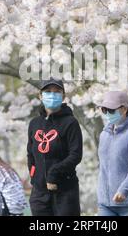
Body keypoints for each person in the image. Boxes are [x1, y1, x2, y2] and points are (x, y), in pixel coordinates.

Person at [27, 78, 83, 216]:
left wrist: (53, 174)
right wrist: (34, 177)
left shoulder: (70, 123)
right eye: (48, 91)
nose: (52, 95)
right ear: (40, 95)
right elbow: (31, 154)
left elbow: (75, 155)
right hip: (39, 192)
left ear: (63, 96)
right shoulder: (34, 123)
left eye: (57, 92)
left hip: (64, 190)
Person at [97, 91, 128, 216]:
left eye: (111, 110)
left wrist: (124, 190)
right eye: (104, 110)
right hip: (105, 204)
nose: (108, 114)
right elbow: (103, 167)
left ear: (124, 109)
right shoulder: (103, 135)